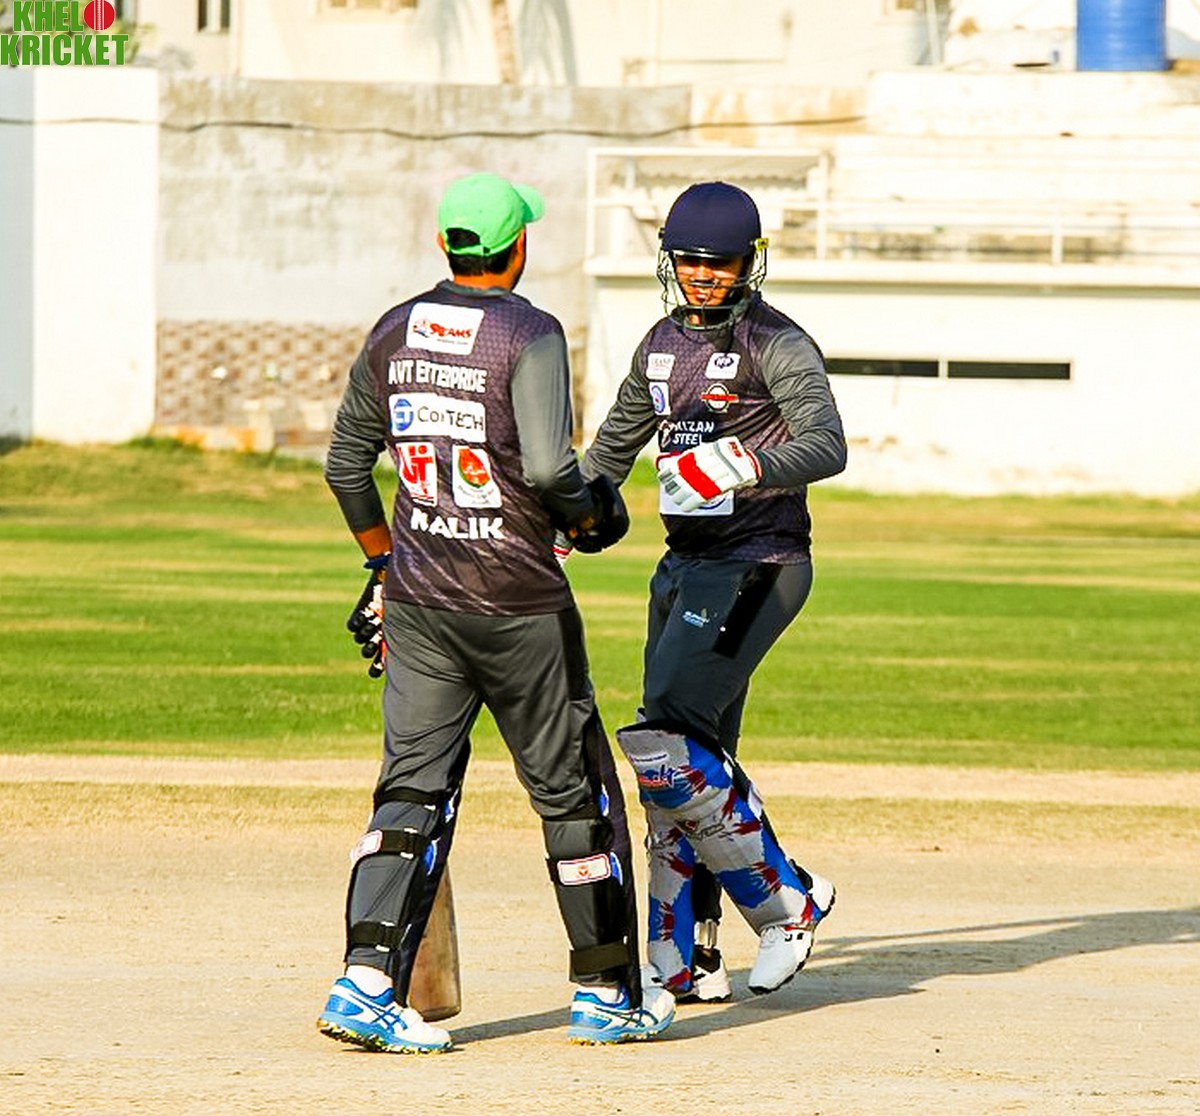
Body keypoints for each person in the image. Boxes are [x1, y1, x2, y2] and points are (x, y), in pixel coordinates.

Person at [317, 171, 674, 1053]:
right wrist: (590, 515)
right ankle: (605, 992)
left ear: (446, 245)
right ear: (518, 247)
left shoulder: (394, 328)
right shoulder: (529, 331)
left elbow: (345, 466)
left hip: (421, 603)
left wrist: (383, 563)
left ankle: (365, 985)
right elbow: (551, 470)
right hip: (518, 604)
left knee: (411, 791)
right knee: (572, 796)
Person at [579, 180, 848, 1003]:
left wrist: (745, 464)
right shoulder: (659, 344)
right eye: (689, 260)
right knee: (690, 761)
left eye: (719, 262)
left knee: (662, 740)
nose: (703, 275)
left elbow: (828, 444)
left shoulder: (777, 343)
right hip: (684, 566)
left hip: (759, 564)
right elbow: (611, 451)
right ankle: (691, 953)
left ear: (747, 264)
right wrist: (557, 524)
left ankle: (786, 900)